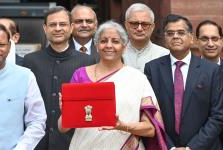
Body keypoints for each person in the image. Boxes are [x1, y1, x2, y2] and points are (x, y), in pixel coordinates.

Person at [58, 20, 167, 150]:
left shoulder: (137, 79)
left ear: (124, 46)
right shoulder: (80, 75)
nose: (109, 45)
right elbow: (62, 128)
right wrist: (66, 112)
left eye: (115, 41)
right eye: (103, 41)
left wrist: (122, 126)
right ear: (97, 45)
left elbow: (151, 130)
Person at [144, 14, 223, 149]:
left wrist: (191, 147)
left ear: (191, 37)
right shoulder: (152, 68)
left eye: (181, 32)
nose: (175, 36)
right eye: (170, 33)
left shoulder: (212, 70)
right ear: (165, 38)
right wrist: (170, 147)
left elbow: (218, 115)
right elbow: (150, 114)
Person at [23, 6, 96, 150]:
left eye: (62, 24)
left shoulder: (87, 61)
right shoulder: (31, 60)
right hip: (37, 142)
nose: (57, 28)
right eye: (52, 24)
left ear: (71, 27)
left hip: (73, 142)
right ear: (45, 28)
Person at [122, 3, 169, 72]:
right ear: (126, 25)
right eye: (134, 23)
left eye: (145, 24)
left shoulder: (165, 55)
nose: (139, 28)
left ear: (152, 27)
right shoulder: (116, 54)